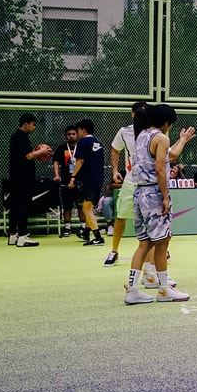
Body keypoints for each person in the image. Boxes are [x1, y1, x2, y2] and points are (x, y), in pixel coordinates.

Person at [123, 103, 189, 304]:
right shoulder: (161, 138)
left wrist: (182, 140)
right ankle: (163, 289)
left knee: (145, 243)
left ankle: (133, 289)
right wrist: (165, 197)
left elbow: (165, 158)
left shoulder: (141, 135)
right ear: (167, 122)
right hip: (153, 194)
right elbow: (161, 169)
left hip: (138, 192)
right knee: (162, 242)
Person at [106, 100, 149, 267]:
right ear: (133, 114)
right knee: (121, 217)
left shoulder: (155, 132)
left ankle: (158, 251)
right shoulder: (124, 132)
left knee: (151, 219)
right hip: (130, 182)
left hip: (149, 183)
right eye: (140, 112)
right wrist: (115, 171)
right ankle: (114, 251)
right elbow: (115, 150)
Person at [7, 113, 44, 247]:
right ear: (26, 124)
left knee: (14, 206)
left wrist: (35, 152)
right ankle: (22, 236)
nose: (34, 128)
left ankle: (12, 235)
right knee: (23, 205)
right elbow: (28, 156)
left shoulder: (16, 137)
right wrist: (41, 152)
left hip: (15, 177)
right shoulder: (21, 137)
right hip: (23, 178)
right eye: (33, 125)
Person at [68, 119, 105, 247]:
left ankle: (97, 237)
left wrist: (73, 177)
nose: (77, 133)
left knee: (86, 208)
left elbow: (80, 161)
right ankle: (86, 232)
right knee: (88, 206)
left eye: (78, 130)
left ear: (83, 130)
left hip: (88, 179)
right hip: (98, 179)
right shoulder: (98, 143)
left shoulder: (83, 142)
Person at [51, 125, 80, 237]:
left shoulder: (82, 146)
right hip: (66, 182)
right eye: (69, 134)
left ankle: (83, 226)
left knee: (81, 206)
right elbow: (56, 162)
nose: (71, 136)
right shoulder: (61, 148)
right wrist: (57, 175)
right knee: (67, 206)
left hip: (79, 181)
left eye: (73, 134)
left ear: (77, 134)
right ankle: (67, 227)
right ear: (65, 136)